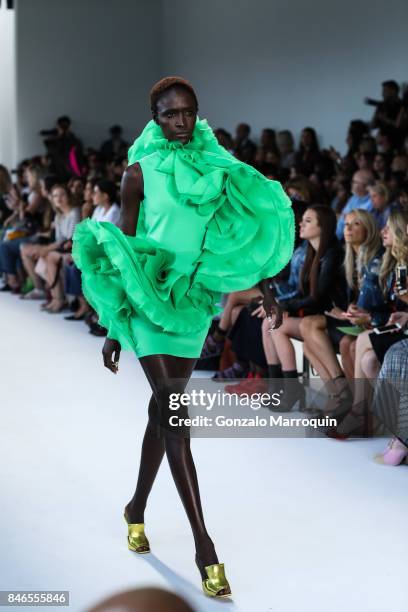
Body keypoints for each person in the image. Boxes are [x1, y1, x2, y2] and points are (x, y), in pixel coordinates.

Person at [71, 76, 295, 599]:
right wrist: (114, 328)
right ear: (154, 116)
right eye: (171, 114)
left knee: (161, 414)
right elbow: (122, 254)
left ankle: (135, 508)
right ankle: (204, 547)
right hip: (150, 301)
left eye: (188, 112)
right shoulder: (138, 173)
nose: (181, 122)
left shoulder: (215, 171)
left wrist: (265, 286)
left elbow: (228, 237)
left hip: (193, 304)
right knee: (176, 414)